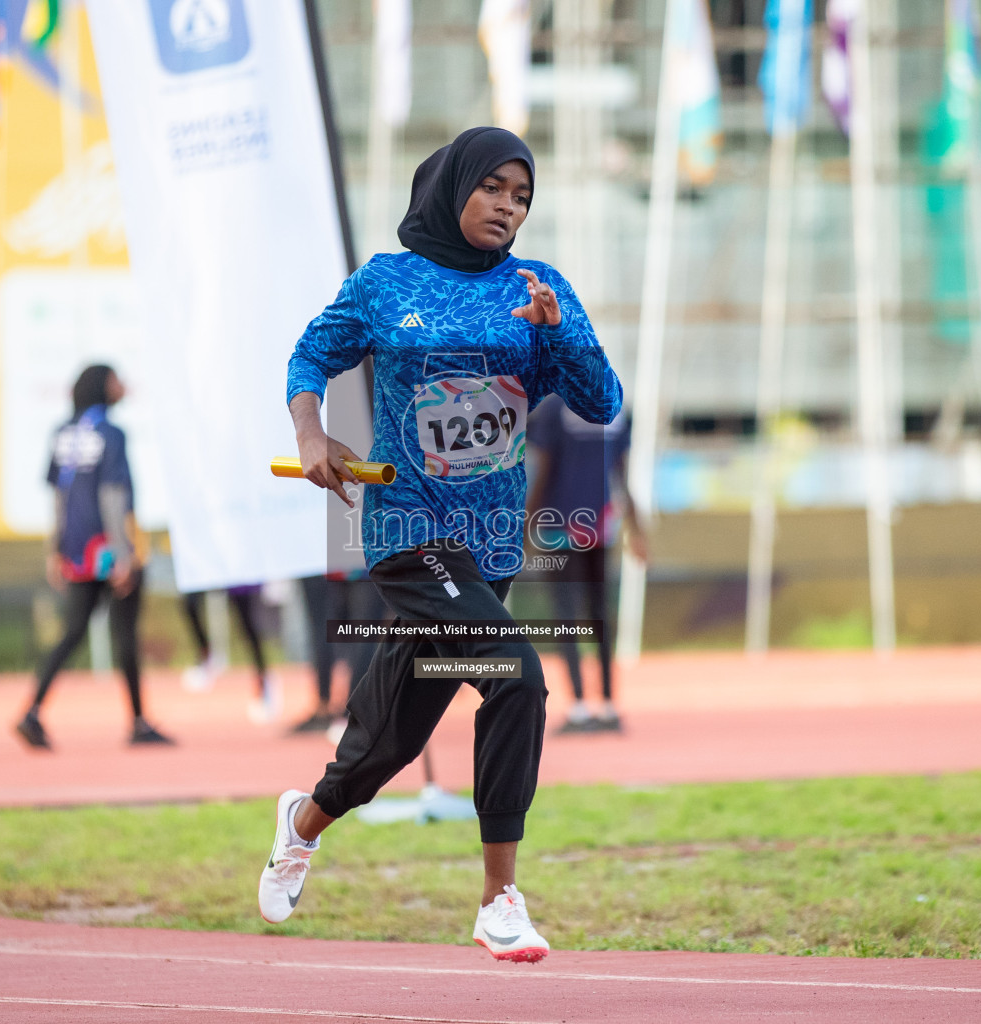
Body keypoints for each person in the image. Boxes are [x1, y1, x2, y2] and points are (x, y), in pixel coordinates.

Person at [258, 127, 622, 963]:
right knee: (516, 676)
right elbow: (312, 353)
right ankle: (499, 899)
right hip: (406, 529)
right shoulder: (388, 282)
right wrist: (313, 434)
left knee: (391, 734)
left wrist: (557, 332)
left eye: (522, 196)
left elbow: (602, 403)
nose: (508, 206)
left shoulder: (538, 287)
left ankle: (302, 823)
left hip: (488, 546)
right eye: (493, 186)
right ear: (453, 184)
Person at [16, 365, 173, 750]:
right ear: (103, 386)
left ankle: (32, 712)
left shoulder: (61, 433)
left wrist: (55, 550)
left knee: (72, 632)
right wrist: (122, 555)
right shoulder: (112, 434)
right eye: (117, 379)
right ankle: (138, 722)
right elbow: (113, 495)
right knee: (125, 635)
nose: (123, 386)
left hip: (77, 550)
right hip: (109, 548)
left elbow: (59, 497)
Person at [525, 394, 647, 733]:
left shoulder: (554, 408)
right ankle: (608, 706)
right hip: (599, 524)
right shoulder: (616, 407)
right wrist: (638, 529)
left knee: (567, 617)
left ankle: (579, 707)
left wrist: (525, 527)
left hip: (558, 524)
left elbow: (543, 468)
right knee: (599, 615)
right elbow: (621, 472)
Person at [295, 571, 384, 735]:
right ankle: (351, 711)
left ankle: (352, 712)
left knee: (362, 634)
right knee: (359, 634)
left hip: (365, 560)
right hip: (357, 560)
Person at [180, 583, 282, 723]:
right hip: (211, 565)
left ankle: (263, 679)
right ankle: (206, 654)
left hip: (234, 570)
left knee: (246, 622)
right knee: (189, 601)